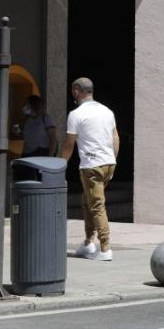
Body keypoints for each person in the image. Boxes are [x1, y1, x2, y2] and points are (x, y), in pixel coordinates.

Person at [60, 78, 119, 262]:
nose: (72, 95)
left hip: (91, 167)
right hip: (108, 164)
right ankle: (88, 243)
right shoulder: (107, 111)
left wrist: (60, 164)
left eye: (73, 92)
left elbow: (69, 143)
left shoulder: (76, 114)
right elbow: (115, 138)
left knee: (96, 206)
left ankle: (105, 248)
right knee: (87, 202)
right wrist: (113, 160)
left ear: (77, 91)